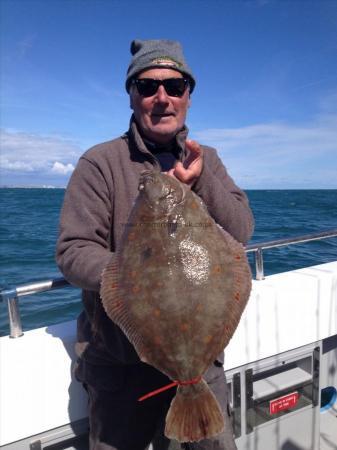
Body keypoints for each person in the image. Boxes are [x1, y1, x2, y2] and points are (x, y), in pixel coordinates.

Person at [56, 39, 254, 450]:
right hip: (120, 370)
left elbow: (243, 230)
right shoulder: (101, 163)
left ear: (188, 96)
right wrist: (131, 279)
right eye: (147, 87)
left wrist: (202, 180)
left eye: (174, 86)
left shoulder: (208, 159)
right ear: (131, 96)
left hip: (201, 364)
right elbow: (73, 250)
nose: (161, 98)